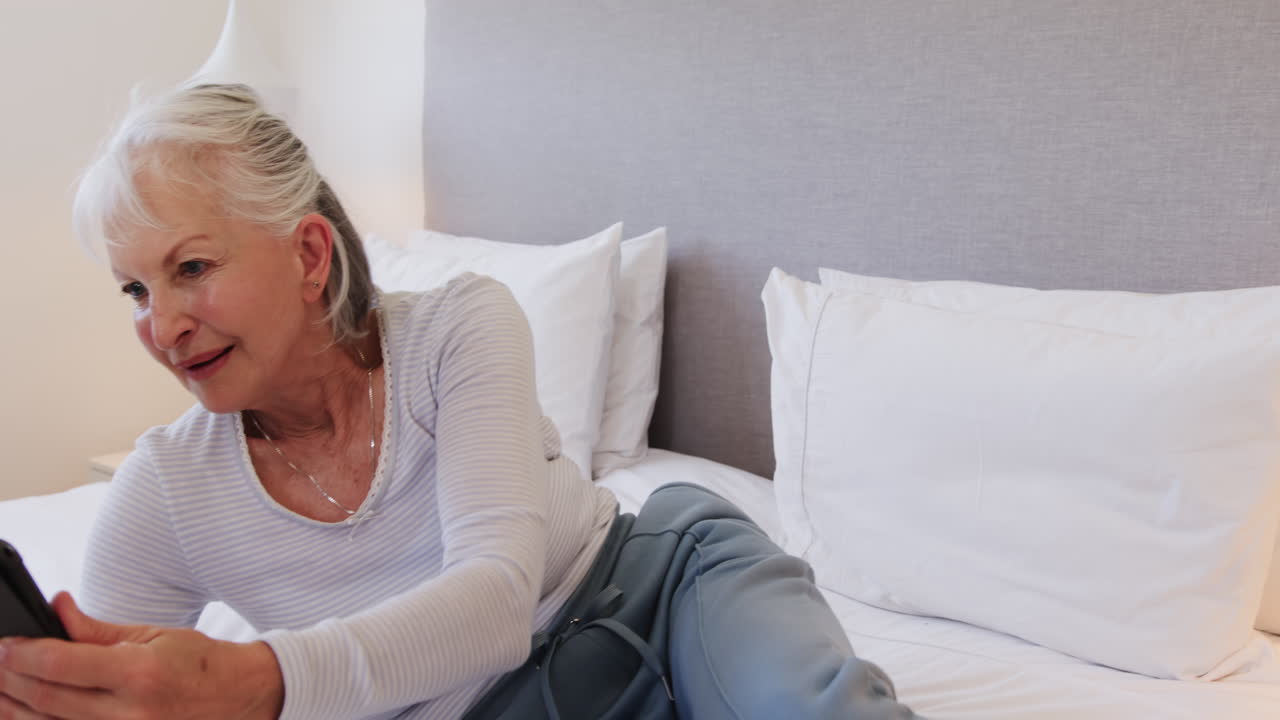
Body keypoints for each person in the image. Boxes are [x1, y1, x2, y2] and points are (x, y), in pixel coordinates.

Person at [0, 84, 919, 720]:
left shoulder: (458, 328)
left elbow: (493, 604)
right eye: (134, 291)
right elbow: (119, 687)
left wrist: (260, 683)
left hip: (652, 593)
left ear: (311, 255)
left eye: (191, 267)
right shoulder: (165, 490)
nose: (162, 326)